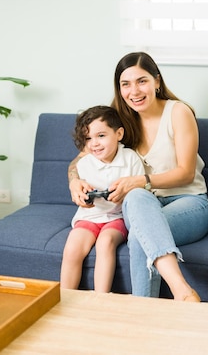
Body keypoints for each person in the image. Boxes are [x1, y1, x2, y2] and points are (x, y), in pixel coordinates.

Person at [68, 52, 208, 302]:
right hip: (143, 205)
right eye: (126, 84)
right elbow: (79, 160)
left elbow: (186, 173)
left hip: (190, 202)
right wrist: (74, 181)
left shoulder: (178, 112)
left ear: (157, 81)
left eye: (141, 81)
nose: (134, 91)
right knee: (136, 202)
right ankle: (180, 293)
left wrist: (140, 181)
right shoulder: (118, 119)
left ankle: (150, 304)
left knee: (138, 233)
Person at [60, 106, 145, 292]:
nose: (94, 143)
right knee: (73, 246)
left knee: (105, 242)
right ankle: (65, 298)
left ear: (119, 134)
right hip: (90, 217)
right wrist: (84, 199)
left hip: (118, 217)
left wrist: (124, 194)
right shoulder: (83, 164)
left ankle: (101, 299)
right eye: (88, 138)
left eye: (101, 136)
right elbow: (79, 195)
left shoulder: (131, 159)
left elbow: (141, 194)